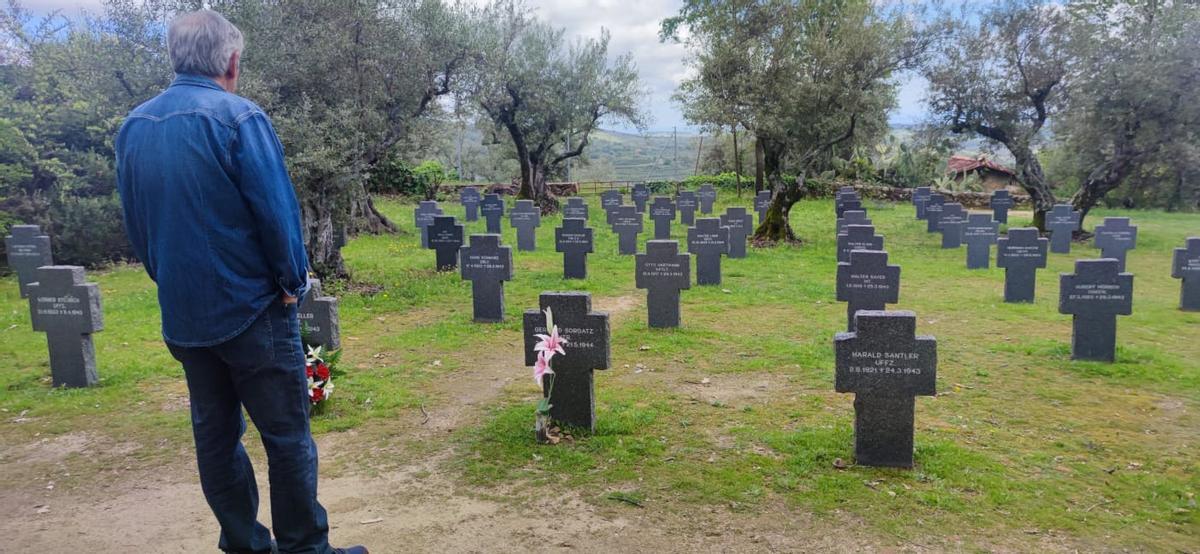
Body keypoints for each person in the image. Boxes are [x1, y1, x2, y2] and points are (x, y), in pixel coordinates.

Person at [115, 10, 366, 554]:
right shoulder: (239, 118)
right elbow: (277, 212)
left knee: (215, 436)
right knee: (286, 436)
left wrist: (168, 278)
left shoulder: (134, 126)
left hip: (184, 315)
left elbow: (136, 223)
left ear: (175, 57)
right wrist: (292, 283)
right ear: (231, 61)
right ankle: (305, 547)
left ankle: (245, 544)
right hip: (252, 310)